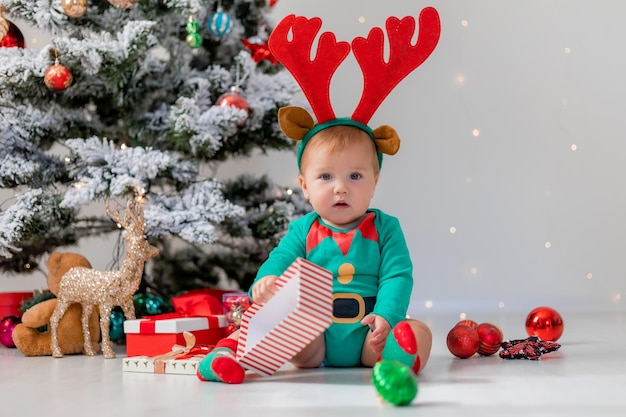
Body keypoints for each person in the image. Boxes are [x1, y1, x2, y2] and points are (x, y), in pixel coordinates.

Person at [197, 122, 433, 384]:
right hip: (313, 338)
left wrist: (387, 316)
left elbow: (397, 276)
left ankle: (397, 354)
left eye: (355, 176)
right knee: (270, 319)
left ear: (374, 182)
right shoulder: (304, 230)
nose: (341, 187)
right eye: (326, 176)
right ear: (305, 186)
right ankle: (226, 356)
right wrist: (267, 280)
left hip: (369, 333)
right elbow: (280, 258)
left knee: (417, 330)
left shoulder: (386, 228)